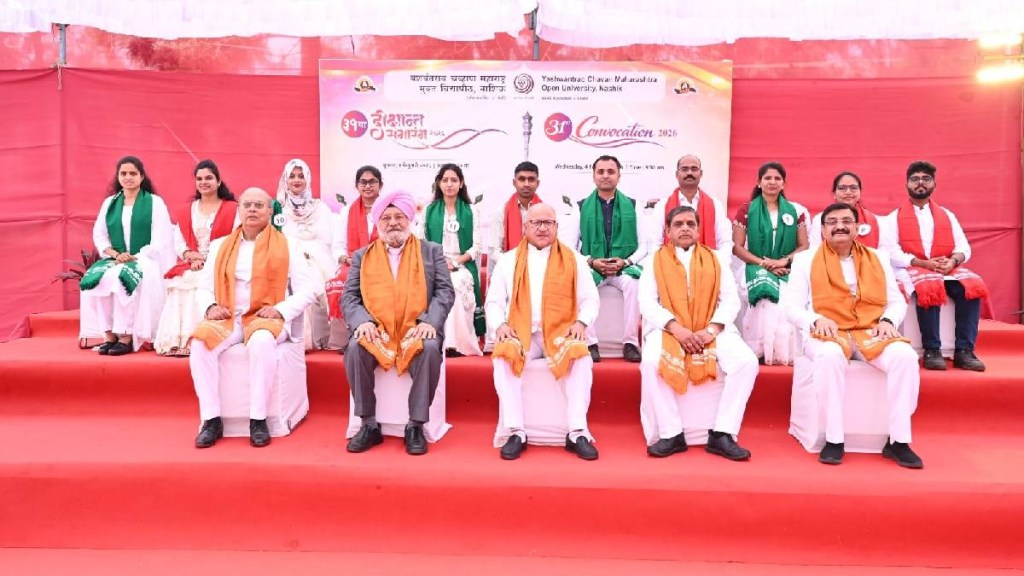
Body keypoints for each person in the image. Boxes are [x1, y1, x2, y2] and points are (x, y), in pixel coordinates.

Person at [782, 202, 922, 468]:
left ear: (857, 228)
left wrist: (888, 320)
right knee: (829, 356)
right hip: (827, 330)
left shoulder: (877, 258)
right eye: (832, 222)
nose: (840, 227)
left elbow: (896, 301)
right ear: (822, 230)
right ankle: (834, 439)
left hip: (870, 330)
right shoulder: (805, 260)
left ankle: (899, 441)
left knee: (905, 356)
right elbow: (790, 307)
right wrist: (815, 319)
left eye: (846, 221)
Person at [190, 187, 318, 448]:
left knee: (261, 341)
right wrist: (211, 307)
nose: (252, 209)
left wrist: (281, 310)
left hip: (266, 316)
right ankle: (211, 420)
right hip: (229, 317)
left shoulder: (288, 245)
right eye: (247, 204)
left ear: (270, 211)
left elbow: (309, 288)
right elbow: (203, 287)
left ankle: (258, 420)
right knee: (200, 343)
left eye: (259, 205)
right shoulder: (219, 246)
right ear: (239, 210)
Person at [638, 206, 759, 460]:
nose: (685, 228)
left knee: (746, 362)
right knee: (650, 363)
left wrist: (711, 330)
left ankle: (723, 432)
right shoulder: (653, 261)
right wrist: (676, 328)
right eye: (678, 224)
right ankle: (671, 433)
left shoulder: (716, 259)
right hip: (669, 328)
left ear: (698, 229)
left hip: (711, 327)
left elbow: (730, 301)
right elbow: (647, 303)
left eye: (690, 224)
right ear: (668, 231)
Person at [343, 190, 455, 456]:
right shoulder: (362, 256)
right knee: (356, 347)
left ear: (409, 219)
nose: (393, 223)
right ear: (377, 222)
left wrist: (430, 322)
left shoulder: (431, 251)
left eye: (399, 217)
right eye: (386, 218)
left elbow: (444, 291)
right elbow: (349, 297)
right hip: (377, 329)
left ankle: (415, 425)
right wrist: (362, 322)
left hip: (418, 326)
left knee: (429, 348)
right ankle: (368, 424)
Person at [487, 203, 599, 460]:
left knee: (581, 356)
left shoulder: (574, 259)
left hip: (561, 333)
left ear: (557, 227)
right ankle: (516, 430)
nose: (542, 228)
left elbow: (590, 299)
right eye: (536, 223)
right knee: (504, 355)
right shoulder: (508, 260)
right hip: (521, 332)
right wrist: (500, 325)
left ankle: (577, 432)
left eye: (548, 223)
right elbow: (493, 301)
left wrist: (581, 323)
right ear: (525, 227)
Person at [886, 161, 988, 372]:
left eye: (926, 179)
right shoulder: (893, 217)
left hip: (945, 268)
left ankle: (964, 351)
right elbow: (891, 252)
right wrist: (923, 263)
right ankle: (932, 350)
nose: (920, 183)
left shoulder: (947, 215)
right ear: (907, 184)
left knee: (972, 288)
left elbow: (963, 247)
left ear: (934, 184)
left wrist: (952, 261)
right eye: (915, 179)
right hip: (913, 268)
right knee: (930, 287)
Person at [79, 155, 175, 355]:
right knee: (96, 279)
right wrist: (115, 254)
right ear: (118, 176)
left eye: (133, 173)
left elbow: (161, 237)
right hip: (115, 258)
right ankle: (109, 335)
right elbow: (99, 234)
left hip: (145, 258)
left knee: (120, 279)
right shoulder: (110, 203)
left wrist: (134, 257)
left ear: (141, 176)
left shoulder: (154, 202)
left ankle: (126, 335)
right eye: (123, 173)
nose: (128, 177)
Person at [154, 159, 239, 356]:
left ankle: (199, 341)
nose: (204, 182)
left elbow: (235, 238)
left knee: (201, 281)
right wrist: (191, 256)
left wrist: (208, 259)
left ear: (218, 181)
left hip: (221, 262)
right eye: (199, 179)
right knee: (183, 280)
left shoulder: (232, 209)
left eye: (209, 178)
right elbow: (179, 241)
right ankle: (177, 340)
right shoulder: (187, 210)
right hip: (192, 263)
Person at [732, 161, 809, 365]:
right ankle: (758, 350)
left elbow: (804, 246)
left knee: (787, 298)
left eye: (777, 178)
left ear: (784, 183)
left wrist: (783, 261)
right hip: (754, 266)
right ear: (758, 182)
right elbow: (737, 247)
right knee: (766, 296)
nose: (772, 182)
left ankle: (782, 353)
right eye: (767, 178)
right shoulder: (747, 210)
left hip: (787, 267)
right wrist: (764, 264)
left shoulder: (796, 211)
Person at [577, 155, 646, 363]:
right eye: (601, 172)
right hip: (593, 267)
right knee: (581, 282)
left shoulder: (634, 205)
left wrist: (626, 262)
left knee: (634, 283)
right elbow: (569, 247)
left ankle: (630, 343)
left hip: (622, 267)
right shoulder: (580, 207)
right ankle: (590, 343)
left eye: (610, 171)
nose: (605, 176)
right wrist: (591, 261)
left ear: (619, 176)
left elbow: (644, 245)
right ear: (593, 176)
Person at [416, 163, 484, 357]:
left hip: (462, 265)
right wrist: (439, 263)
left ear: (461, 183)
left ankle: (457, 344)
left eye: (454, 180)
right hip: (434, 265)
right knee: (444, 283)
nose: (449, 184)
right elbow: (420, 242)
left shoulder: (471, 210)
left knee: (455, 283)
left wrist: (455, 262)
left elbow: (476, 247)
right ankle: (438, 341)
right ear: (439, 183)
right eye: (445, 180)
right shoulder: (429, 210)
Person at [276, 158, 339, 350]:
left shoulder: (320, 208)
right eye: (292, 176)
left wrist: (310, 253)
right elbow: (276, 238)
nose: (297, 180)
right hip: (287, 258)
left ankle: (322, 338)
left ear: (308, 179)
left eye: (301, 176)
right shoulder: (278, 208)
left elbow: (328, 238)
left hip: (318, 259)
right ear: (285, 180)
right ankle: (301, 339)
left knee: (319, 279)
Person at [326, 165, 383, 351]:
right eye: (363, 182)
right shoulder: (347, 211)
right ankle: (346, 339)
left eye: (372, 182)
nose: (368, 186)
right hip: (353, 263)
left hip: (383, 263)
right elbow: (338, 246)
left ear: (380, 185)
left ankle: (379, 335)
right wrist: (346, 259)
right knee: (340, 282)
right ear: (357, 186)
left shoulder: (388, 209)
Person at [650, 154, 732, 253]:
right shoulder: (662, 206)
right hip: (670, 261)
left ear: (701, 174)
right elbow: (654, 243)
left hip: (706, 261)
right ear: (677, 174)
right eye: (684, 169)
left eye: (694, 169)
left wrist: (718, 261)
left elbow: (724, 241)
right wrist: (661, 261)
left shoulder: (715, 205)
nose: (689, 173)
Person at [809, 171, 892, 250]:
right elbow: (814, 251)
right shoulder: (819, 219)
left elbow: (884, 252)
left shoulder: (875, 220)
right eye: (842, 188)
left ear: (860, 192)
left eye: (853, 188)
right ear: (834, 194)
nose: (848, 192)